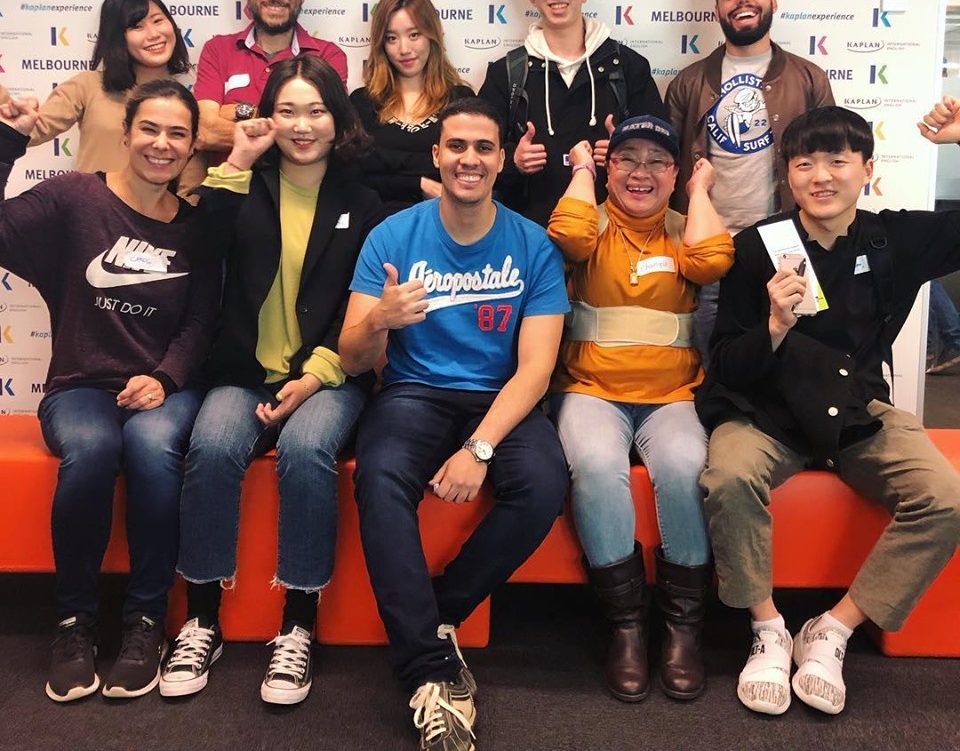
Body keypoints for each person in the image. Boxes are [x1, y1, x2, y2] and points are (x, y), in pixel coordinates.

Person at [697, 104, 960, 717]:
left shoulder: (893, 239)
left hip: (858, 412)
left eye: (838, 160)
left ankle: (832, 630)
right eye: (804, 163)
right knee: (728, 476)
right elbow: (727, 364)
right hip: (768, 414)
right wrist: (773, 325)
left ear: (867, 168)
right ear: (787, 175)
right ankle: (768, 629)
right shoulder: (757, 246)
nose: (821, 176)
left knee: (945, 499)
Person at [339, 97, 570, 750]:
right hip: (413, 392)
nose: (470, 159)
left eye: (484, 148)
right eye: (458, 147)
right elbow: (352, 356)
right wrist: (378, 320)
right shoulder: (392, 237)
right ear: (437, 155)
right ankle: (429, 670)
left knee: (544, 483)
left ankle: (436, 616)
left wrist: (480, 447)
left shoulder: (532, 245)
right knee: (379, 476)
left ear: (501, 160)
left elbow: (536, 371)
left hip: (500, 396)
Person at [160, 56, 380, 705]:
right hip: (245, 373)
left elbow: (357, 305)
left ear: (339, 120)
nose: (302, 125)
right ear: (267, 117)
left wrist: (317, 375)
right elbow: (201, 251)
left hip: (327, 375)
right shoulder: (243, 183)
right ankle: (201, 620)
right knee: (210, 446)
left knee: (307, 450)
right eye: (287, 111)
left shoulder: (362, 202)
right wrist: (237, 158)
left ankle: (298, 625)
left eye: (316, 111)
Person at [0, 79, 219, 702]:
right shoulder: (75, 197)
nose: (161, 143)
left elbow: (200, 321)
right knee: (93, 451)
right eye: (149, 128)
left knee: (152, 452)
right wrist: (8, 140)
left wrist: (164, 378)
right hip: (80, 385)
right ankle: (74, 621)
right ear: (125, 133)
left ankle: (146, 621)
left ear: (192, 146)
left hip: (164, 387)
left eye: (177, 133)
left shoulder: (198, 228)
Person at [548, 115, 734, 703]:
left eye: (658, 161)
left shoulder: (686, 230)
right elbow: (568, 236)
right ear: (610, 167)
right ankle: (626, 625)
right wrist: (582, 170)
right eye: (627, 157)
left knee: (684, 467)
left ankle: (683, 628)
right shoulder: (592, 225)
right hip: (590, 389)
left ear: (676, 173)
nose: (641, 172)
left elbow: (711, 262)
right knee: (597, 465)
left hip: (671, 396)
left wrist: (699, 193)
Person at [665, 0, 834, 362]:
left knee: (794, 360)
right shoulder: (688, 83)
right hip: (710, 247)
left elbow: (831, 166)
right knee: (713, 364)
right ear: (717, 10)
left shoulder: (809, 79)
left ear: (773, 0)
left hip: (789, 245)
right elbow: (667, 170)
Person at [479, 0, 665, 227]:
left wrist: (626, 152)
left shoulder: (628, 67)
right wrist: (513, 159)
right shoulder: (507, 73)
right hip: (529, 232)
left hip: (614, 233)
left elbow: (662, 150)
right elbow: (478, 150)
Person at [16, 0, 204, 193]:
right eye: (137, 27)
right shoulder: (88, 85)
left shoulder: (183, 101)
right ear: (117, 38)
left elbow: (190, 179)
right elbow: (32, 130)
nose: (153, 34)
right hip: (90, 207)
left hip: (153, 212)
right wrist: (12, 119)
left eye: (158, 21)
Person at [192, 0, 348, 158]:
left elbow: (326, 134)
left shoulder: (328, 56)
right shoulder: (217, 50)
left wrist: (238, 112)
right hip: (229, 180)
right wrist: (288, 126)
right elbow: (206, 132)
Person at [351, 0, 473, 215]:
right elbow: (355, 174)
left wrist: (383, 160)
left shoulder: (460, 101)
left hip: (447, 224)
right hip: (378, 226)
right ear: (381, 44)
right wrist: (420, 182)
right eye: (391, 38)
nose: (404, 49)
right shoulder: (363, 102)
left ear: (432, 35)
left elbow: (466, 166)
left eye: (414, 35)